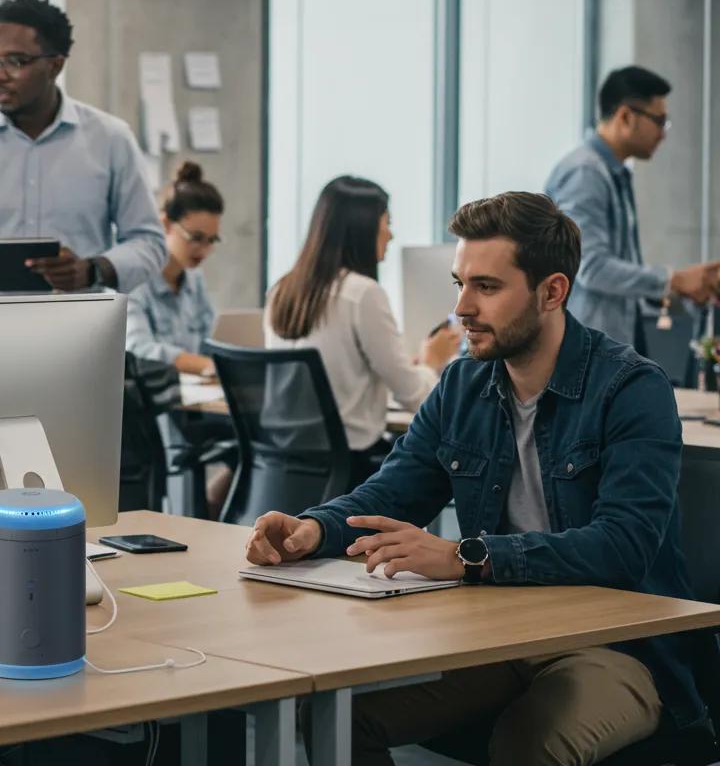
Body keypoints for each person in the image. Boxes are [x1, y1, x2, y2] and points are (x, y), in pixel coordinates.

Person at [246, 192, 701, 766]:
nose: (461, 307)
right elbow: (393, 491)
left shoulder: (632, 389)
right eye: (460, 283)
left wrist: (467, 557)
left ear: (552, 291)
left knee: (529, 744)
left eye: (486, 287)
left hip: (614, 647)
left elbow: (625, 545)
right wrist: (312, 529)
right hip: (498, 637)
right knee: (339, 716)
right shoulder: (464, 384)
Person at [0, 0, 166, 298]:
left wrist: (93, 269)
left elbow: (150, 243)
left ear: (55, 66)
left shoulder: (110, 140)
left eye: (15, 62)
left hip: (80, 331)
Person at [265, 176, 459, 483]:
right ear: (363, 228)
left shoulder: (282, 290)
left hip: (286, 469)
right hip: (353, 469)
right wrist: (432, 363)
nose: (391, 234)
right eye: (387, 222)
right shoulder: (362, 294)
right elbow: (416, 397)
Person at [545, 65, 719, 350]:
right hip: (584, 351)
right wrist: (673, 280)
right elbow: (591, 266)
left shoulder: (612, 173)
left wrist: (679, 290)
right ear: (626, 116)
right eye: (659, 120)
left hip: (605, 346)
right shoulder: (586, 173)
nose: (663, 133)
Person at [126, 161, 223, 377]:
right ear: (166, 224)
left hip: (195, 398)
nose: (204, 250)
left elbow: (210, 341)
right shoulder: (134, 279)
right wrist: (203, 365)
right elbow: (139, 349)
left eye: (212, 240)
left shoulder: (194, 279)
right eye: (196, 238)